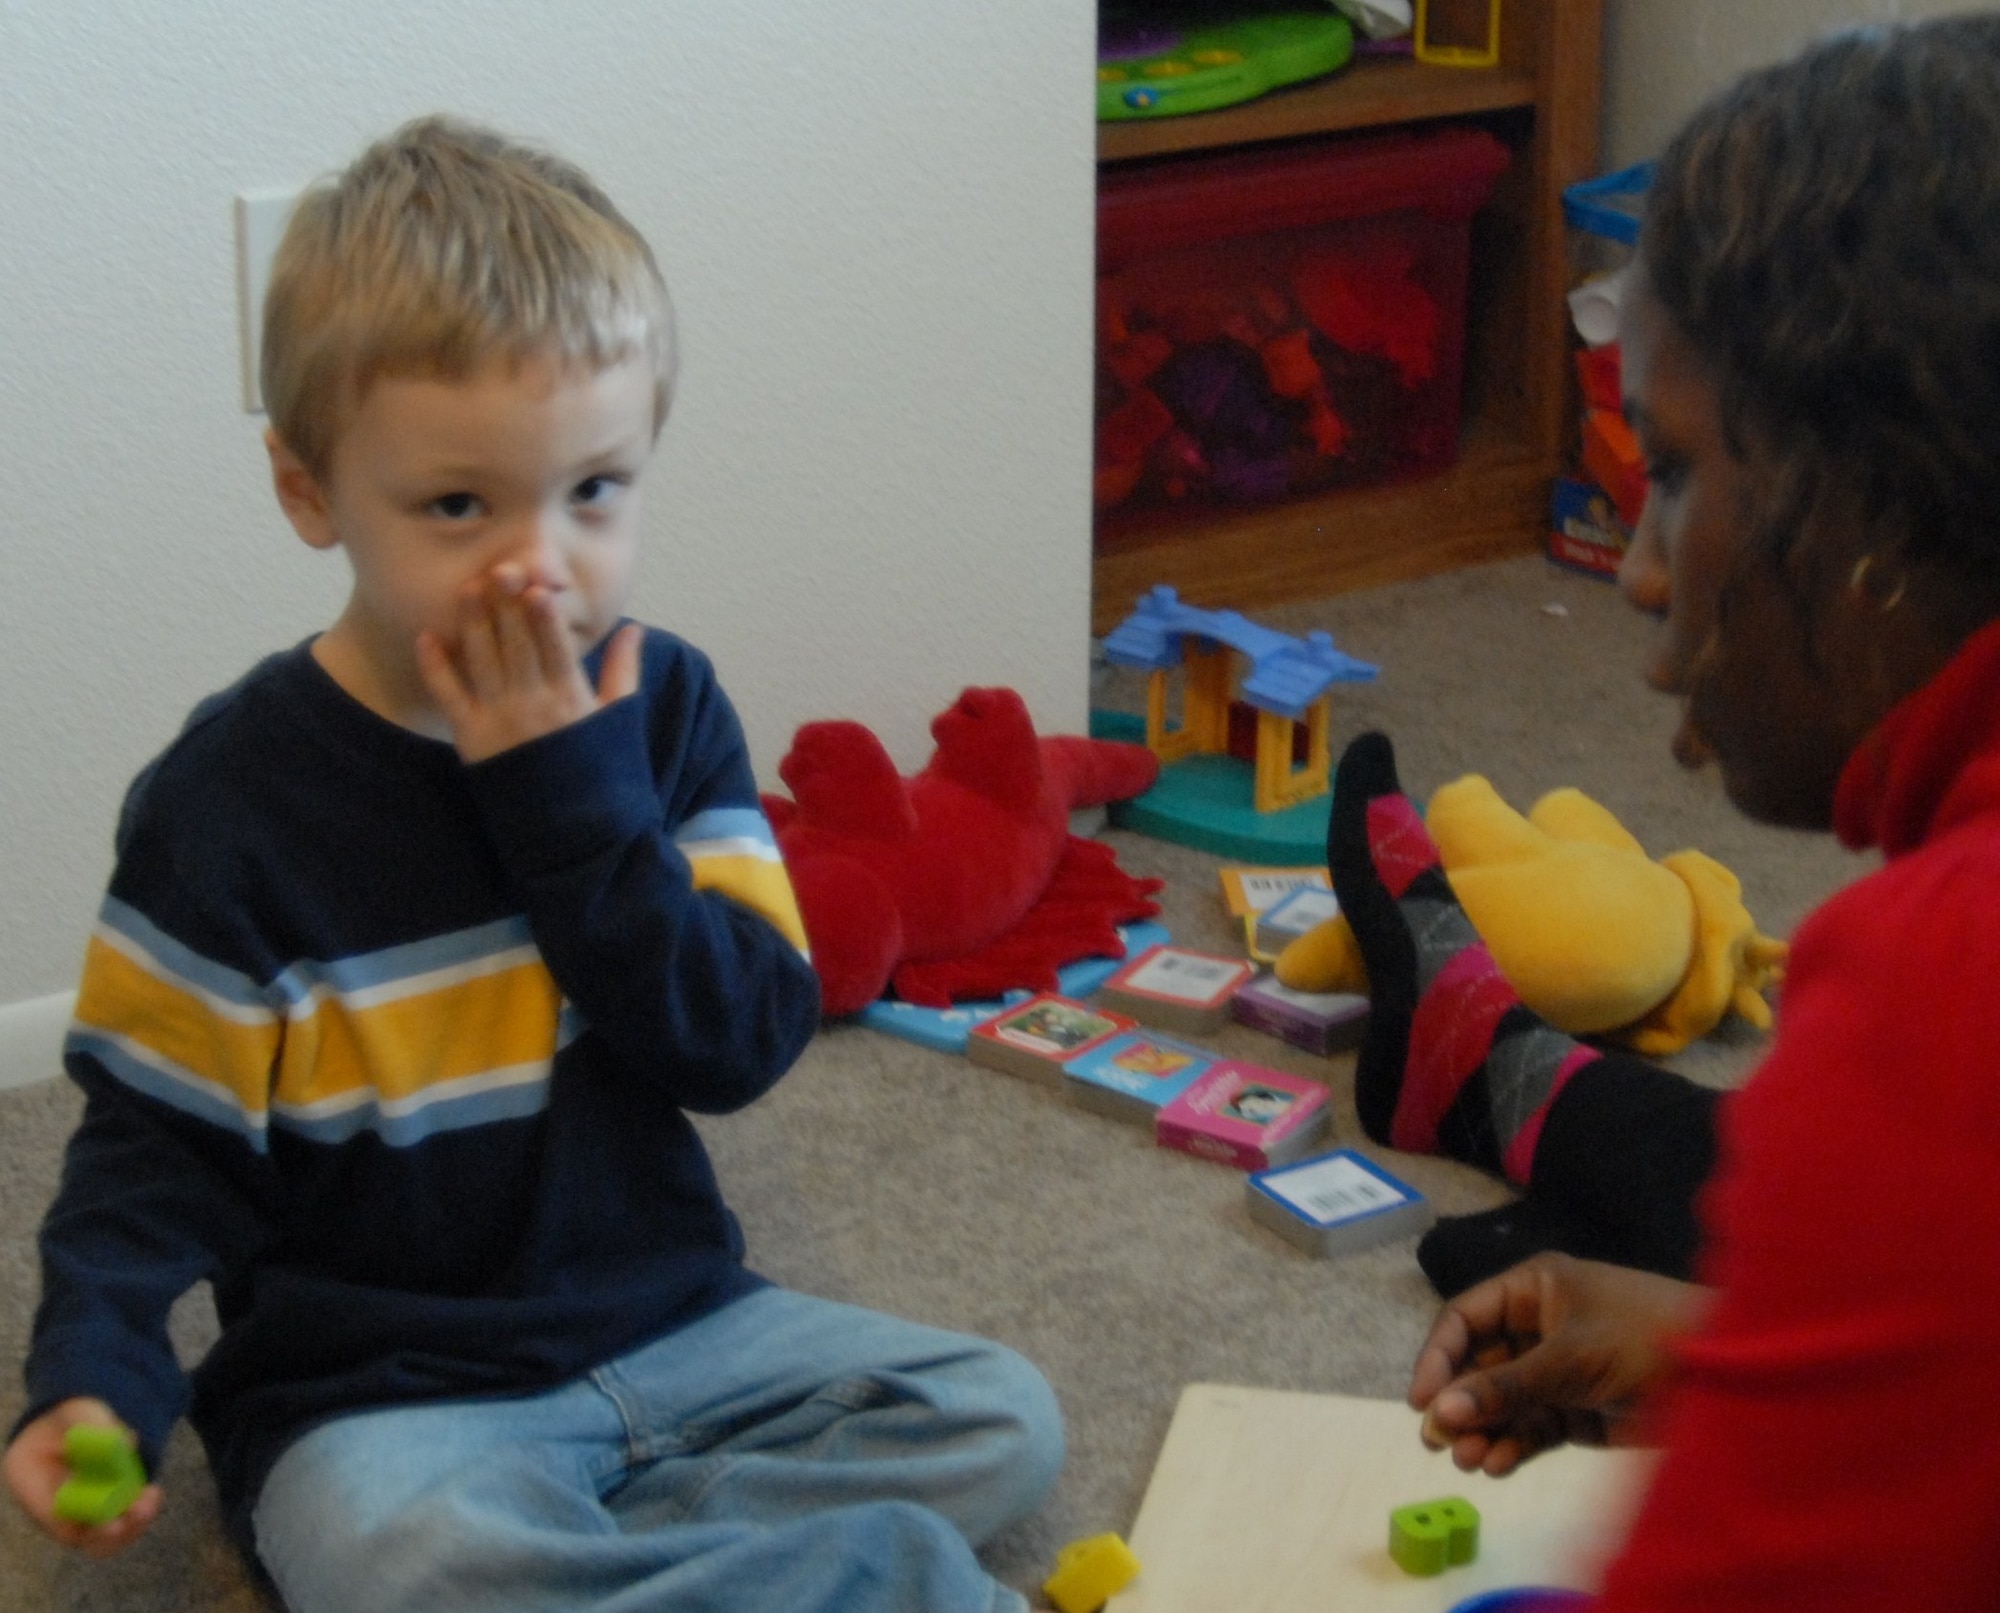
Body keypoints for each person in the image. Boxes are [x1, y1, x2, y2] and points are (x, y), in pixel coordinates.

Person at [2, 116, 1062, 1613]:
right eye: (458, 505)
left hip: (683, 1325)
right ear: (310, 493)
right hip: (386, 1396)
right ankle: (813, 1578)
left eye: (594, 491)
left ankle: (641, 1566)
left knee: (1001, 1413)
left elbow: (740, 1037)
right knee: (397, 1558)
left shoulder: (670, 706)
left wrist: (566, 797)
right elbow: (147, 1153)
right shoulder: (225, 803)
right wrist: (92, 1373)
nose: (538, 563)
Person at [1335, 17, 2000, 1609]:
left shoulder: (1938, 987)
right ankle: (1495, 1065)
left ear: (1880, 503)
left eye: (1681, 475)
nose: (1639, 566)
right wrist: (1737, 1349)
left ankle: (1495, 1064)